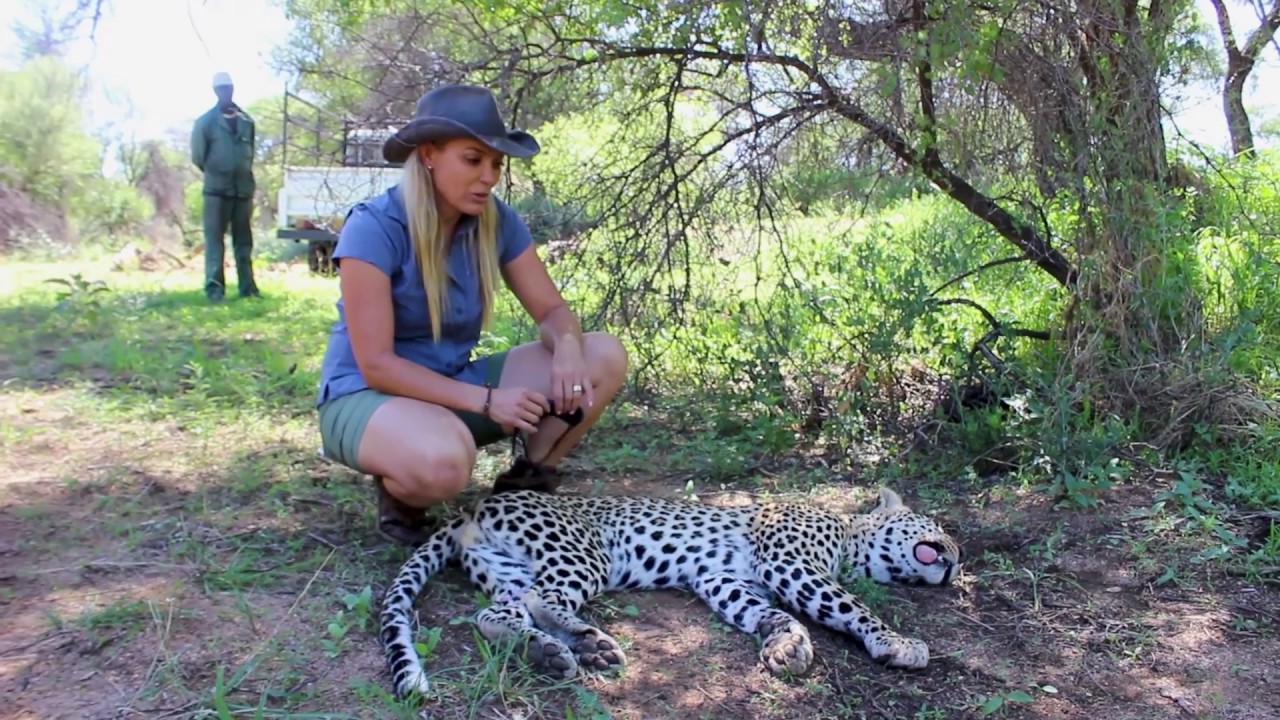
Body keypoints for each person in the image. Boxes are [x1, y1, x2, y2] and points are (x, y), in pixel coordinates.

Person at [314, 84, 629, 546]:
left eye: (497, 163)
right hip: (364, 395)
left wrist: (565, 345)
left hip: (451, 387)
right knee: (446, 462)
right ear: (428, 155)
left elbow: (551, 308)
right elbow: (376, 364)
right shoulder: (374, 226)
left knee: (602, 354)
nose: (489, 176)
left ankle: (523, 491)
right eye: (472, 159)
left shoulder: (495, 221)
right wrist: (484, 402)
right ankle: (402, 493)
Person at [190, 71, 261, 301]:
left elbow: (249, 152)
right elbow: (198, 157)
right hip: (216, 192)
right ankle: (214, 290)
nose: (225, 92)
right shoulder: (205, 123)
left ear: (233, 88)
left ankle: (248, 289)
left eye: (228, 87)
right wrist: (219, 172)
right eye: (221, 88)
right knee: (214, 242)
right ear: (215, 91)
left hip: (242, 190)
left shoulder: (247, 122)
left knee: (243, 243)